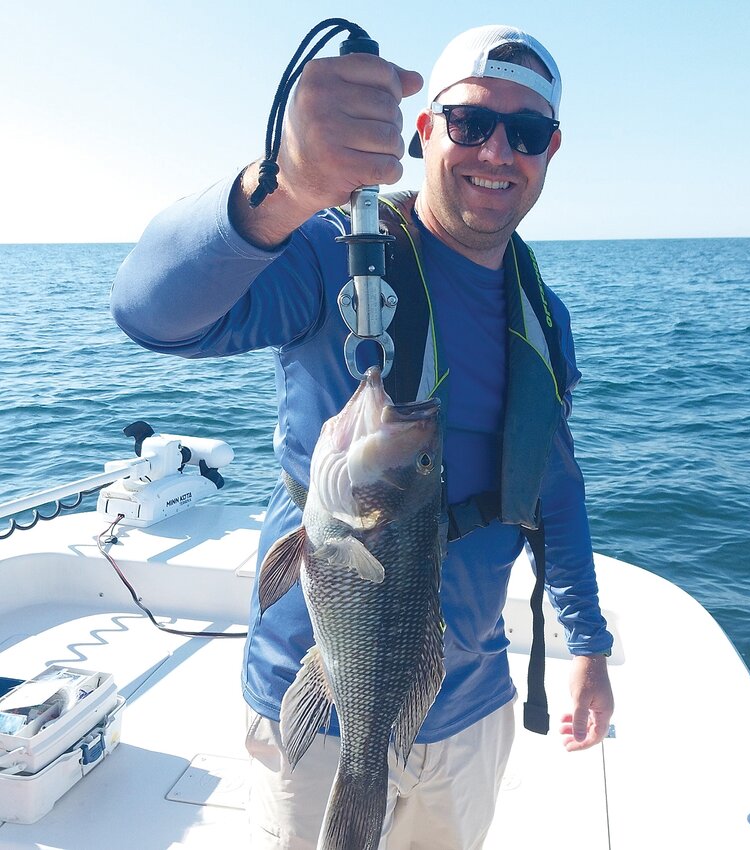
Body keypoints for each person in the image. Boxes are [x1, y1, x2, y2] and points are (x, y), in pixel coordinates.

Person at [110, 23, 615, 850]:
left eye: (525, 134)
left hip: (471, 705)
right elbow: (150, 314)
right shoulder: (334, 253)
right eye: (469, 123)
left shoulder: (541, 311)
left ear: (548, 151)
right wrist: (283, 185)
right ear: (424, 132)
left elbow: (553, 489)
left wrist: (586, 645)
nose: (497, 151)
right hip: (315, 709)